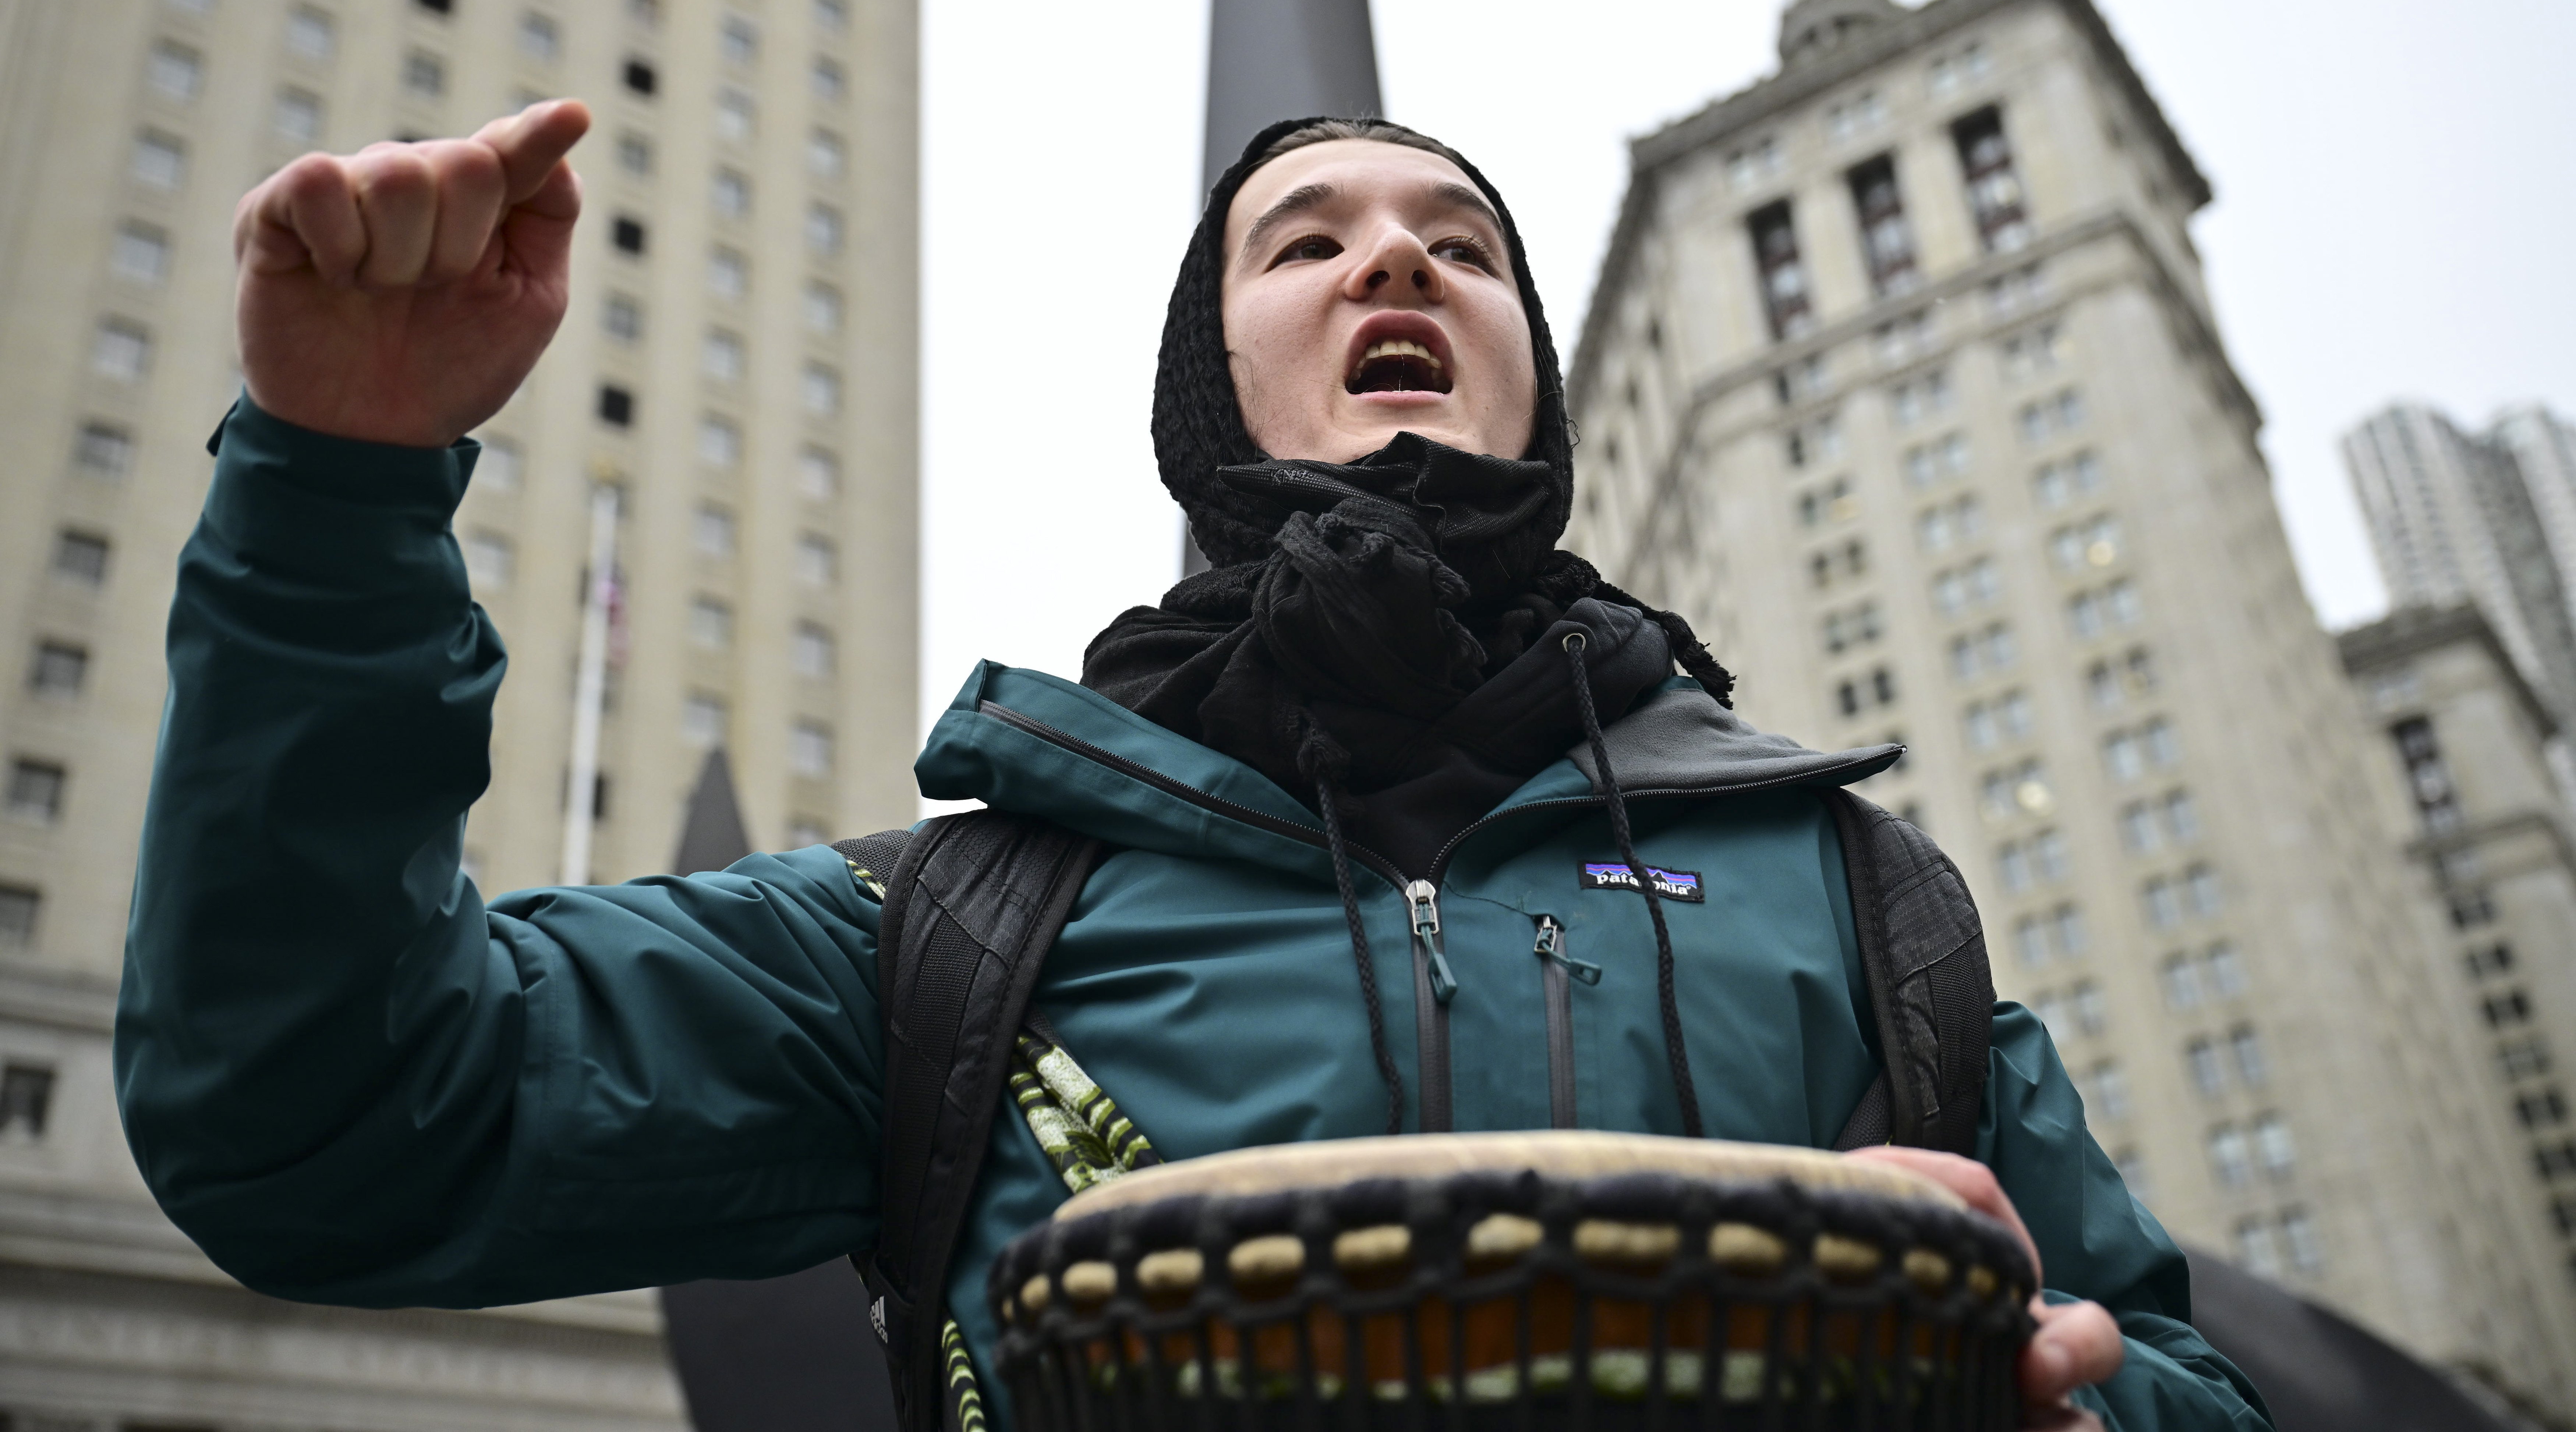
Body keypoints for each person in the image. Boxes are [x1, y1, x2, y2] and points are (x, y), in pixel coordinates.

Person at [114, 102, 2271, 1432]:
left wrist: (2073, 1424)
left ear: (1531, 367)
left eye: (1456, 236)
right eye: (1305, 237)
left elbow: (2187, 1389)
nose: (1394, 256)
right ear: (1209, 389)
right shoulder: (941, 927)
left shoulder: (1858, 894)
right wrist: (339, 488)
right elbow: (326, 1128)